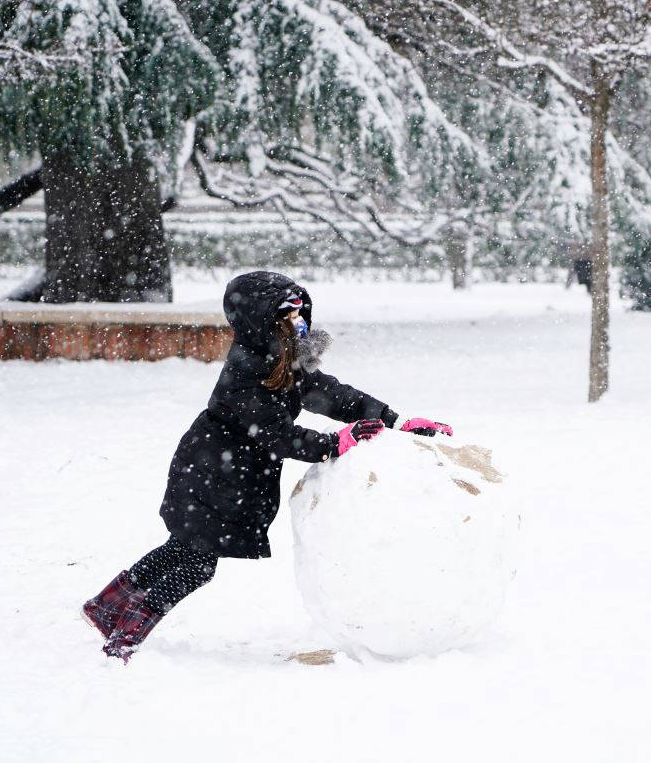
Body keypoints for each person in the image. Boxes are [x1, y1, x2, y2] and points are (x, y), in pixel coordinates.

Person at [82, 271, 453, 663]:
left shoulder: (286, 362)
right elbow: (277, 435)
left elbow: (334, 396)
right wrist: (334, 444)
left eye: (300, 311)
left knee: (183, 550)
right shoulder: (245, 372)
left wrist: (394, 420)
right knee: (197, 565)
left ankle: (105, 606)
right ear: (262, 321)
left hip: (230, 472)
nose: (299, 321)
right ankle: (127, 634)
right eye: (288, 314)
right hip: (211, 473)